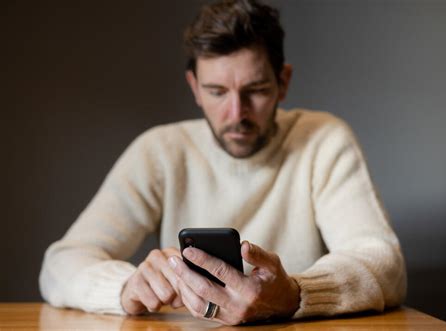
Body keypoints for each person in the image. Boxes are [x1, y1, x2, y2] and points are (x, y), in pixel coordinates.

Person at [39, 0, 406, 326]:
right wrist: (125, 287)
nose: (236, 114)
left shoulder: (323, 139)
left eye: (257, 90)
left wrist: (294, 294)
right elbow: (60, 265)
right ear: (195, 87)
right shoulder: (160, 150)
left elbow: (384, 263)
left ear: (283, 82)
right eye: (217, 92)